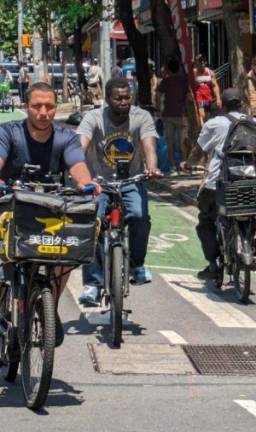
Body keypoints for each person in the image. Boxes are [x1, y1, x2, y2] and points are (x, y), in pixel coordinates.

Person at [0, 82, 99, 345]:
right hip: (12, 207)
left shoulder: (65, 137)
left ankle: (48, 308)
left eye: (49, 106)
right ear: (26, 107)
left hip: (50, 209)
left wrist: (85, 184)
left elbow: (78, 166)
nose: (43, 112)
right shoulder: (8, 133)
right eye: (36, 106)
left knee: (67, 252)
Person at [76, 78, 161, 306]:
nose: (124, 102)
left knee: (140, 216)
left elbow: (149, 145)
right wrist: (76, 170)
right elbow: (80, 146)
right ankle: (92, 283)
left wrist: (152, 167)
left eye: (127, 97)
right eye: (118, 98)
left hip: (131, 180)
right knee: (92, 222)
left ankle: (136, 265)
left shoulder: (141, 116)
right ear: (107, 99)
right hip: (100, 183)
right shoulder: (93, 118)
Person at [195, 89, 256, 279]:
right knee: (250, 212)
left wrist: (188, 163)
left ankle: (213, 264)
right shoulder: (255, 123)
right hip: (250, 180)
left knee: (206, 220)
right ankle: (252, 233)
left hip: (219, 181)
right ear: (241, 104)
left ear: (222, 106)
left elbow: (199, 150)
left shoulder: (214, 123)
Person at [156, 58, 194, 175]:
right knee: (183, 141)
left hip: (167, 115)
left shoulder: (165, 82)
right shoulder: (184, 81)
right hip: (182, 115)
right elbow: (189, 98)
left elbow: (157, 96)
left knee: (170, 142)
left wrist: (159, 109)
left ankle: (172, 166)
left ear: (168, 69)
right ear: (178, 68)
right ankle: (183, 164)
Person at [193, 54, 222, 126]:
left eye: (202, 61)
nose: (201, 63)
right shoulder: (194, 73)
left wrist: (218, 98)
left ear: (205, 62)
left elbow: (215, 86)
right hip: (199, 97)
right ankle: (202, 129)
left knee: (210, 118)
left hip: (208, 97)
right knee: (201, 116)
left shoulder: (210, 72)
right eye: (199, 61)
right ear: (196, 63)